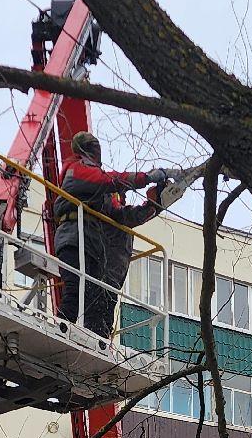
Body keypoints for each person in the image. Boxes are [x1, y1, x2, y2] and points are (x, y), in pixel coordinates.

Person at [51, 131, 173, 335]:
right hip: (75, 238)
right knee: (75, 291)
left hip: (93, 247)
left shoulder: (101, 192)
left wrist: (154, 204)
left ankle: (94, 341)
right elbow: (108, 180)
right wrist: (145, 178)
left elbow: (121, 215)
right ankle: (60, 332)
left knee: (95, 303)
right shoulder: (77, 171)